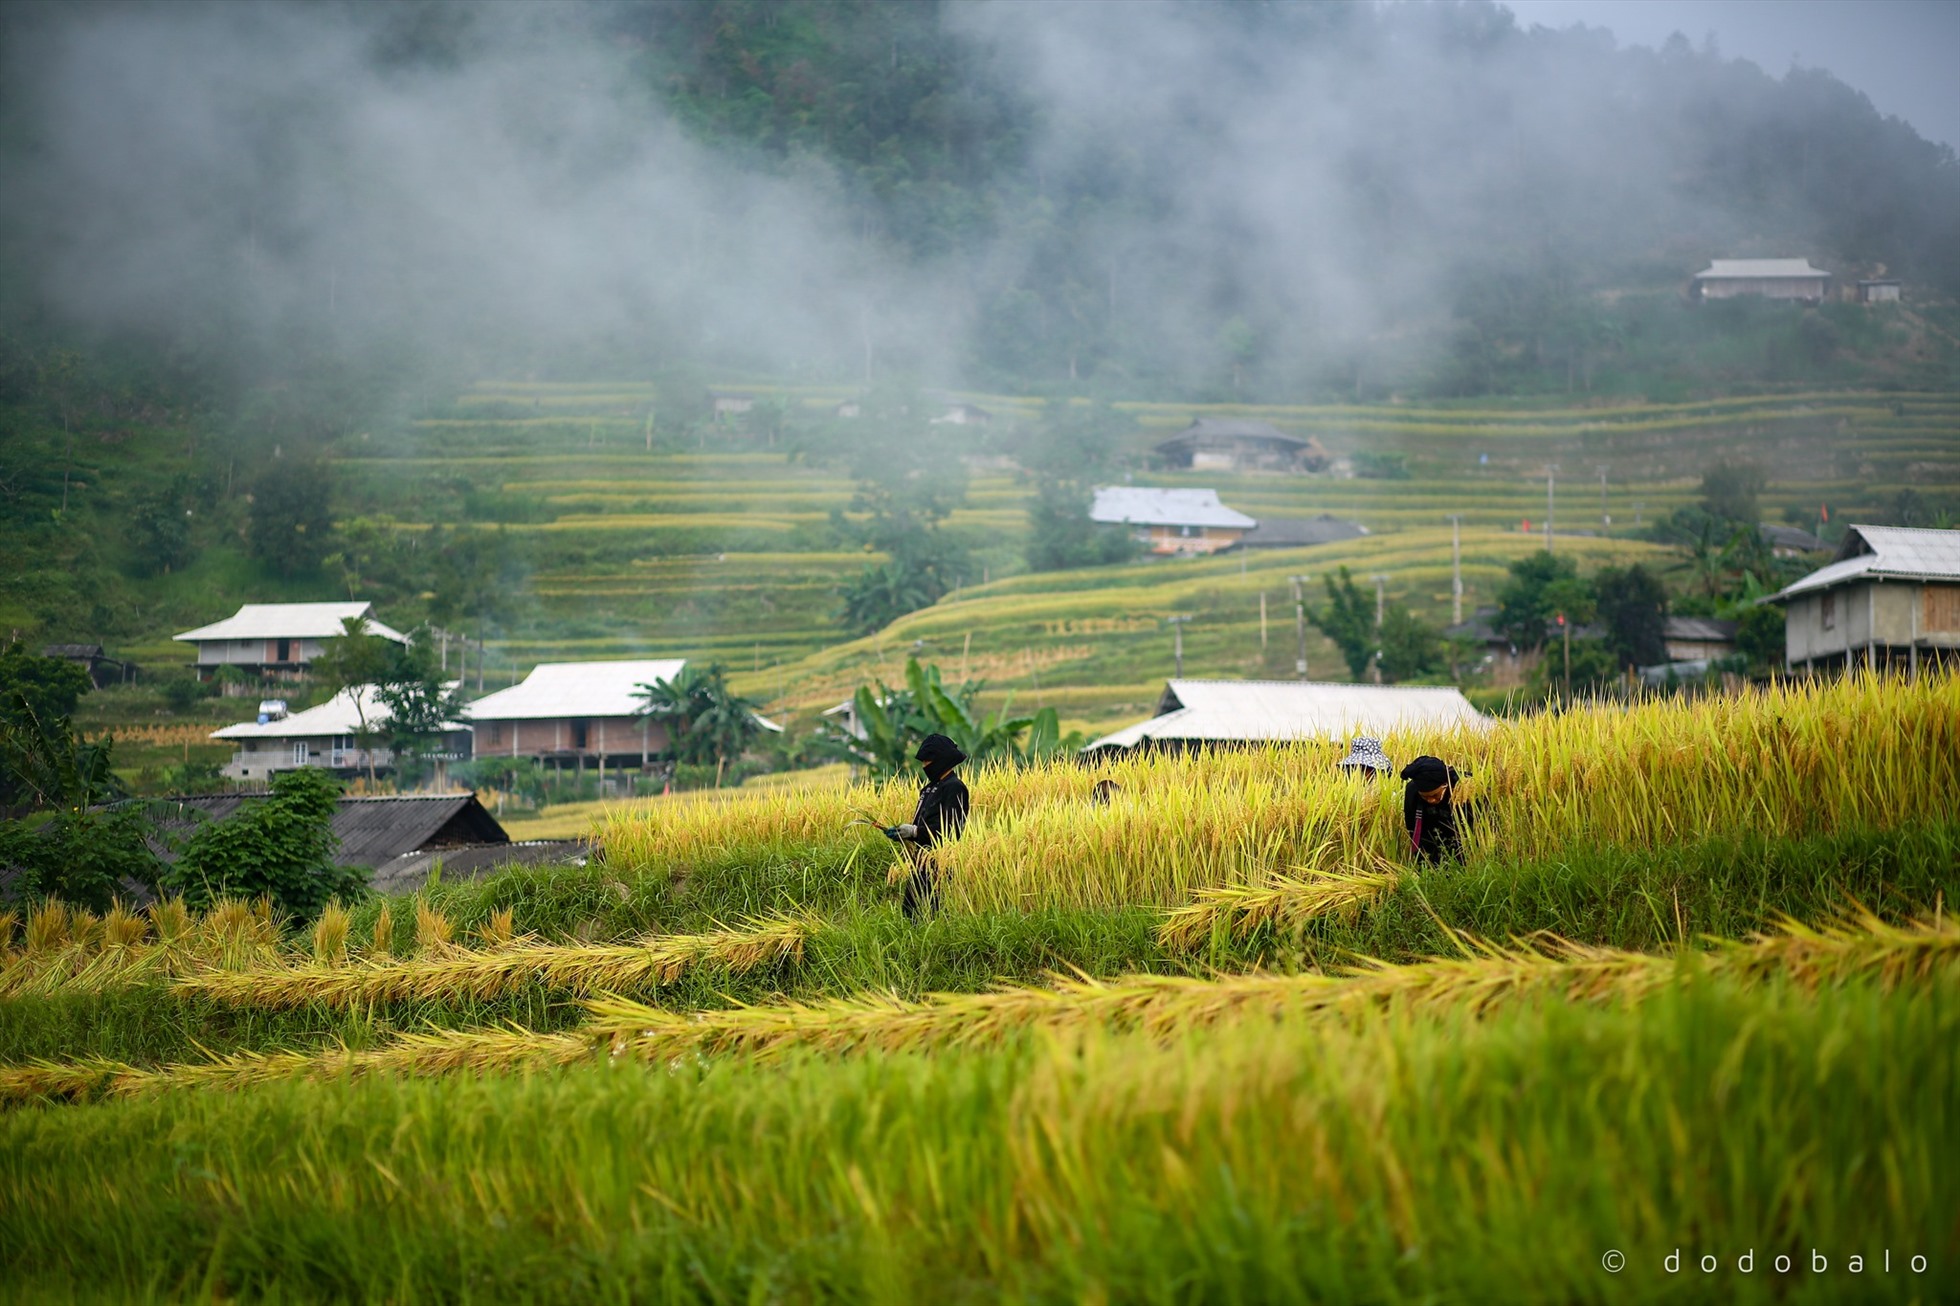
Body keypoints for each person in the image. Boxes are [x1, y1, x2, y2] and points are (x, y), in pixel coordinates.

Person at [885, 733, 970, 919]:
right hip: (920, 861)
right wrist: (905, 833)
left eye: (928, 761)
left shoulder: (954, 788)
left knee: (934, 913)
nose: (925, 766)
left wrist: (914, 832)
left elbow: (950, 830)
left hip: (940, 863)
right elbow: (921, 825)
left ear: (941, 760)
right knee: (910, 913)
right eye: (923, 762)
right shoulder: (930, 789)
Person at [1399, 754, 1472, 865]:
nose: (1431, 800)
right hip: (1431, 837)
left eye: (1435, 795)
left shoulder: (1464, 787)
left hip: (1464, 841)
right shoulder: (1412, 791)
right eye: (1425, 797)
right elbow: (1412, 829)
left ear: (1445, 785)